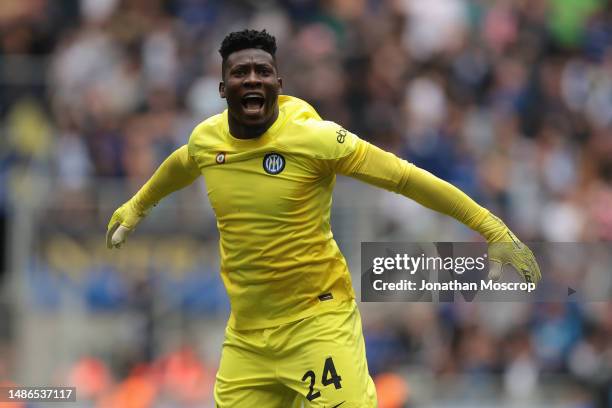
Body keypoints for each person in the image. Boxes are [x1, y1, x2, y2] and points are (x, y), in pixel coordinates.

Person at [106, 29, 541, 408]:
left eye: (262, 71)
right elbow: (181, 164)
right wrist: (138, 205)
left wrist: (492, 228)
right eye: (241, 73)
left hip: (317, 325)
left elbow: (405, 178)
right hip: (247, 339)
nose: (252, 79)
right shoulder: (207, 140)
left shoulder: (315, 140)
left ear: (279, 82)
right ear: (223, 88)